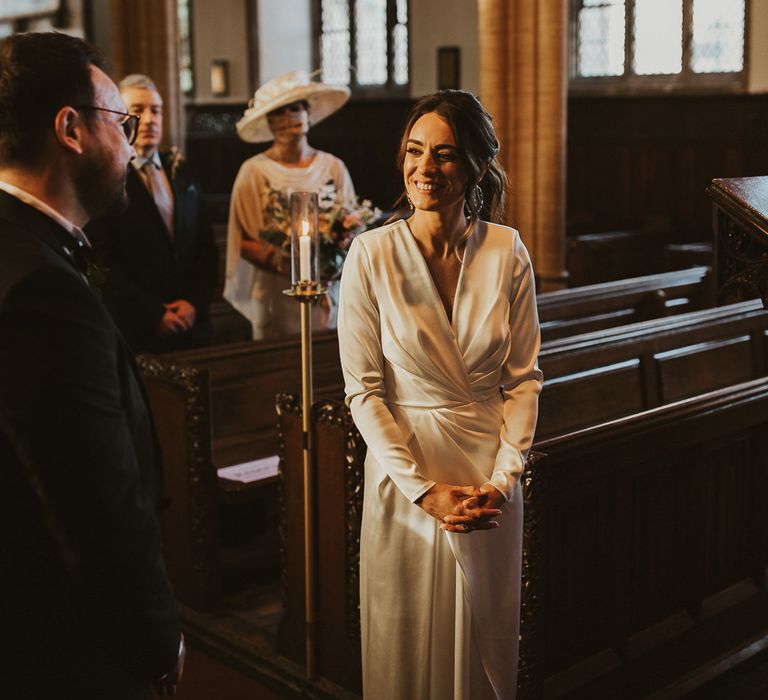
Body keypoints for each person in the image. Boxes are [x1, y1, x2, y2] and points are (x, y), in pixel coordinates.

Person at [337, 90, 543, 699]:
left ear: (476, 164)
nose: (425, 168)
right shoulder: (371, 254)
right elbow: (363, 391)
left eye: (446, 154)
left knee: (485, 635)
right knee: (408, 640)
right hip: (408, 478)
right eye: (414, 150)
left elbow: (525, 378)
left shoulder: (507, 252)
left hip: (489, 480)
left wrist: (504, 479)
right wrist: (424, 489)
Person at [0, 33, 183, 698]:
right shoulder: (45, 290)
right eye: (120, 121)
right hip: (67, 641)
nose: (132, 142)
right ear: (70, 129)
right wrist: (157, 638)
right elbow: (96, 503)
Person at [86, 73, 218, 353]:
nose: (149, 119)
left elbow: (206, 246)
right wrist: (153, 314)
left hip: (192, 325)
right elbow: (102, 259)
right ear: (122, 117)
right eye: (138, 111)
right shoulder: (108, 177)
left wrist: (194, 303)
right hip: (137, 330)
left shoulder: (181, 171)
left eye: (155, 110)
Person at [224, 70, 355, 339]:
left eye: (296, 109)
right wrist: (293, 266)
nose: (290, 119)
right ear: (269, 122)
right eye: (280, 113)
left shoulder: (333, 167)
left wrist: (332, 260)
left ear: (308, 114)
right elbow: (244, 242)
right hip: (276, 295)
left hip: (328, 287)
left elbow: (352, 227)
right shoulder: (253, 172)